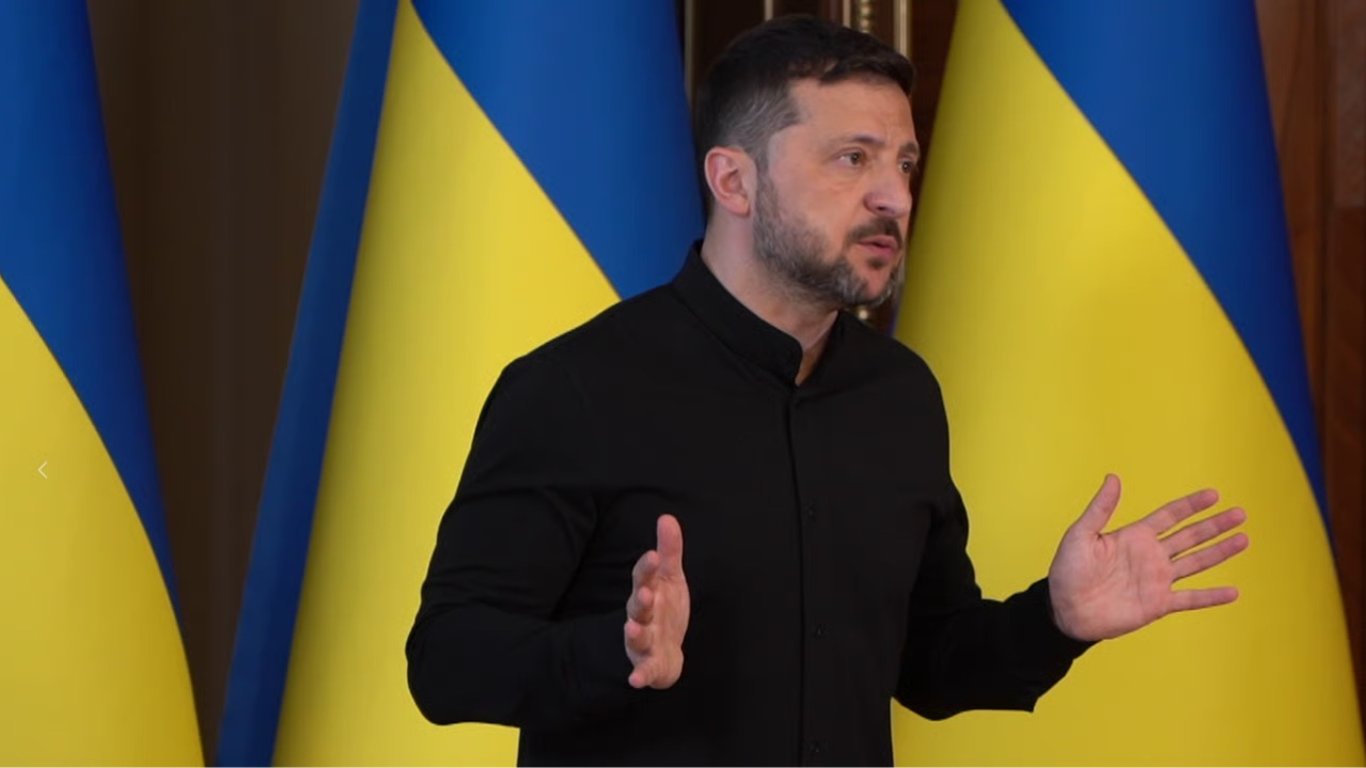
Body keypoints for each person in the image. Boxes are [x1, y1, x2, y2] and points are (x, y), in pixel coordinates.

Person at [406, 15, 1248, 766]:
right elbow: (445, 662)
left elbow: (931, 662)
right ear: (734, 182)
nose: (895, 197)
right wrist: (613, 653)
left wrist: (1054, 620)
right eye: (853, 160)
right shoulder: (573, 389)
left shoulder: (901, 396)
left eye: (905, 164)